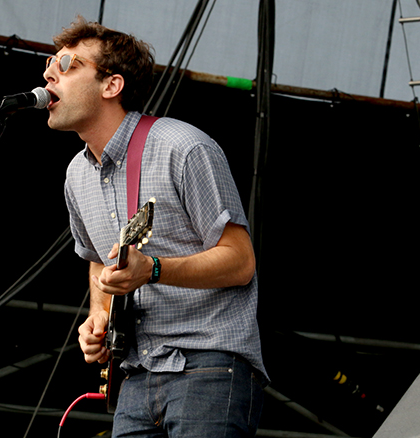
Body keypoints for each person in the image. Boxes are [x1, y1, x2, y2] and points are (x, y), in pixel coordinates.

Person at [43, 16, 269, 438]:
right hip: (135, 374)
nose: (49, 74)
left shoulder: (182, 147)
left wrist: (154, 269)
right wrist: (99, 315)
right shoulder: (76, 175)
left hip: (208, 364)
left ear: (112, 85)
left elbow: (241, 262)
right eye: (49, 64)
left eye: (68, 64)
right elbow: (99, 261)